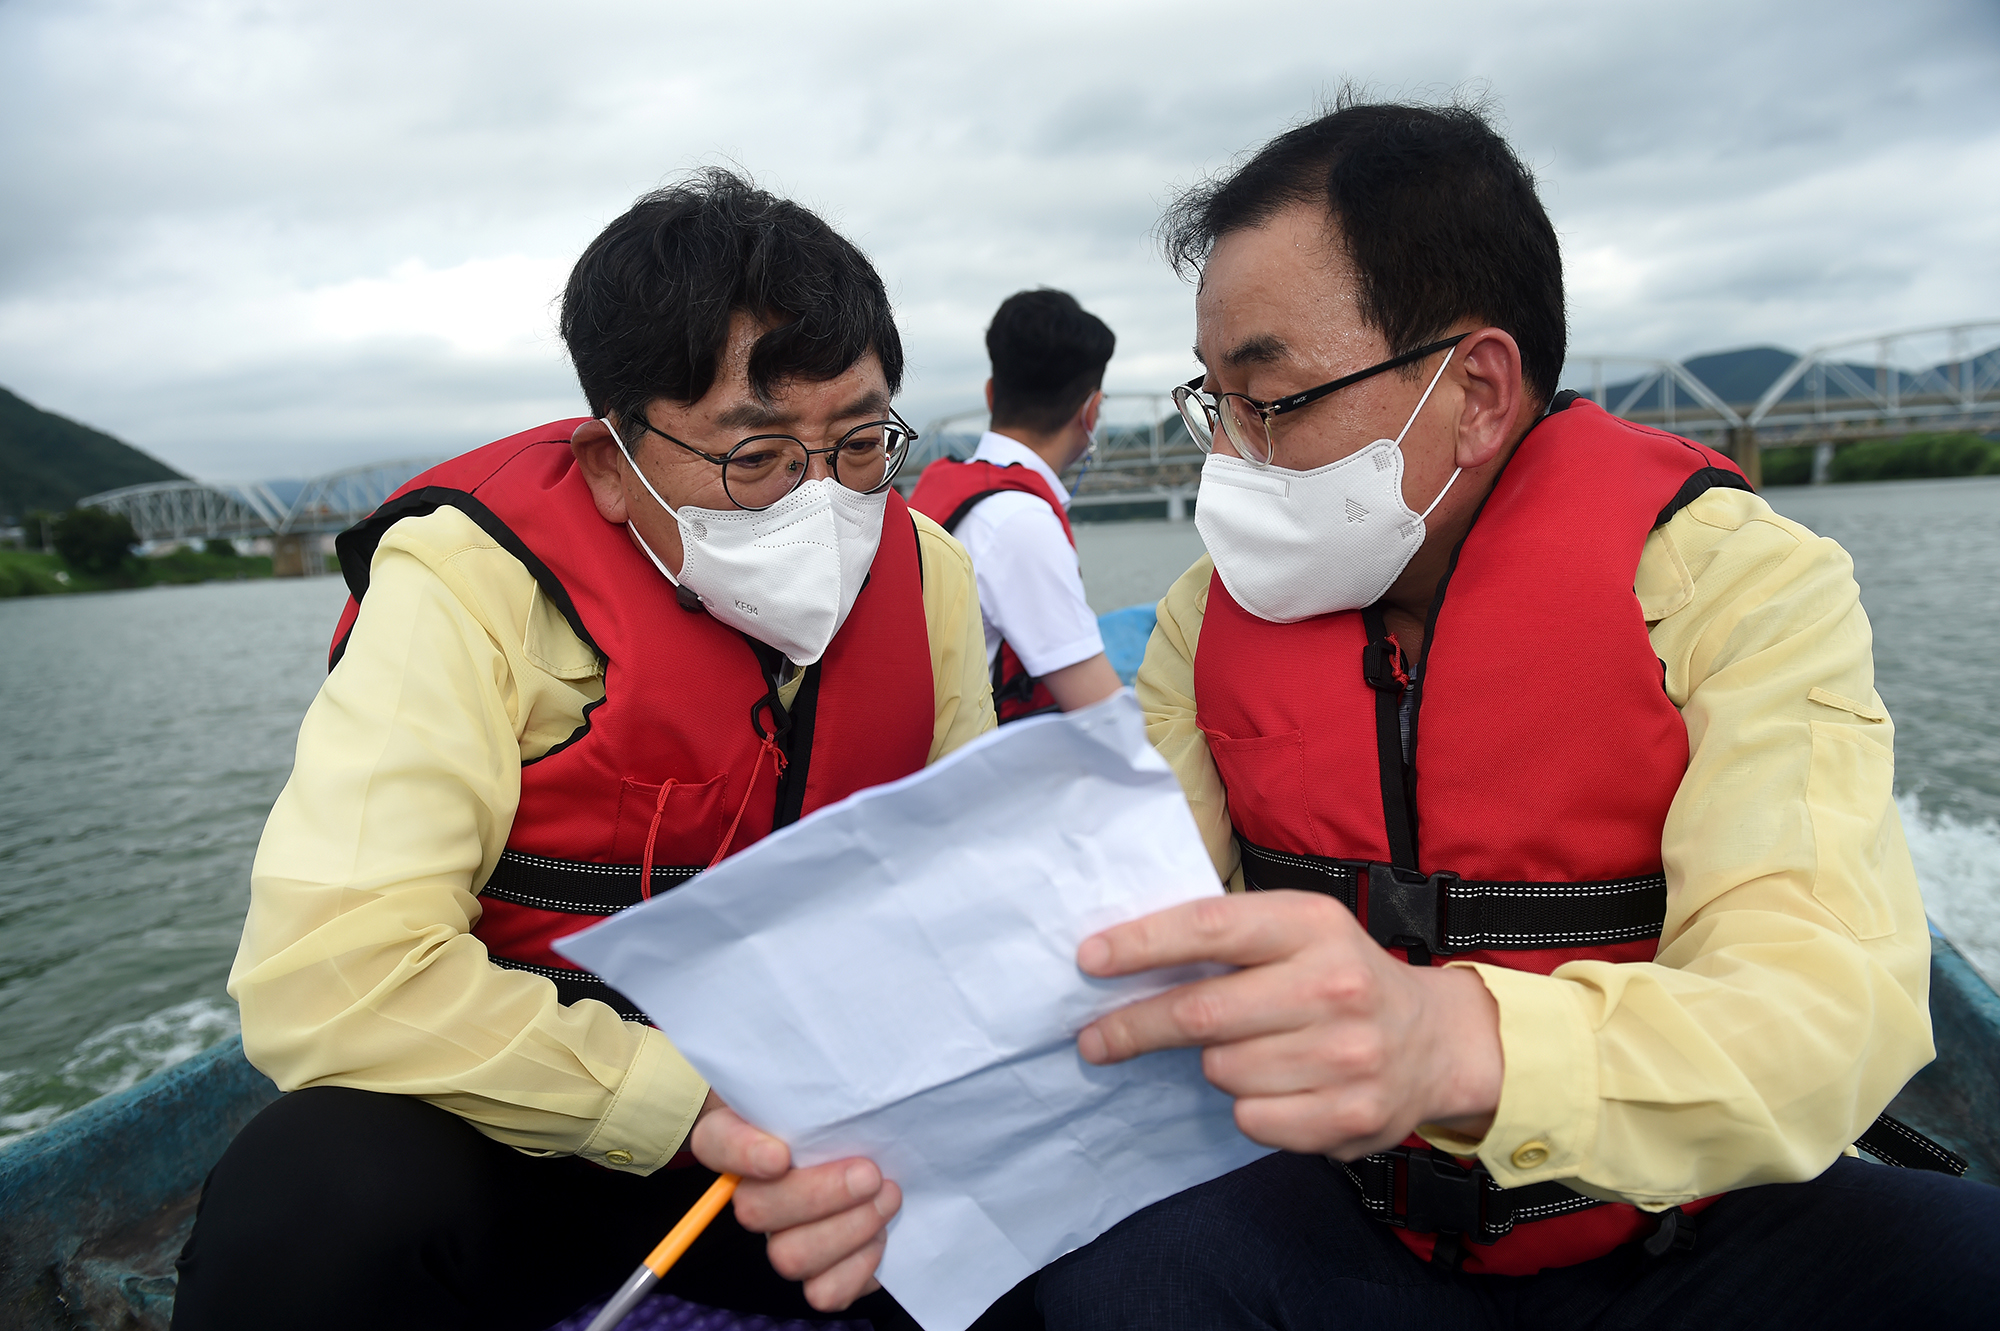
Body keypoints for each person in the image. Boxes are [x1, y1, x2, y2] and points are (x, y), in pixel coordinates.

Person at [1036, 96, 2000, 1328]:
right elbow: (1118, 934)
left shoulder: (1732, 580)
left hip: (1677, 1230)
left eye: (1269, 402)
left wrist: (1456, 1043)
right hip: (1340, 1214)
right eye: (1210, 402)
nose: (1225, 459)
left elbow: (1821, 1007)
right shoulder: (1198, 620)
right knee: (1093, 1278)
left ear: (1478, 389)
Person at [171, 170, 1000, 1331]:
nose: (821, 499)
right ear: (612, 461)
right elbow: (331, 972)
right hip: (525, 1133)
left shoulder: (931, 576)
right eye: (754, 455)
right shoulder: (470, 580)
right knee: (313, 1196)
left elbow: (969, 890)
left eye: (860, 442)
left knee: (1066, 1242)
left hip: (820, 1141)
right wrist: (686, 1104)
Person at [908, 289, 1123, 718]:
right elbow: (1105, 716)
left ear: (991, 395)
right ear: (1091, 412)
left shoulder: (945, 489)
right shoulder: (1020, 523)